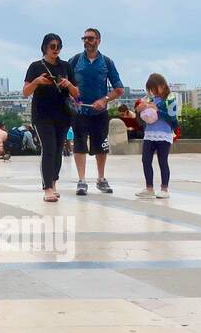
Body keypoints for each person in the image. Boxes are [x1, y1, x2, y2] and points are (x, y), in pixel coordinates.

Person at [22, 33, 80, 202]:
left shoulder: (66, 66)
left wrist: (68, 84)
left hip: (62, 114)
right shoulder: (35, 67)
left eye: (58, 46)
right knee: (48, 148)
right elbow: (25, 92)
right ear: (45, 48)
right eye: (52, 46)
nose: (56, 50)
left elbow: (77, 94)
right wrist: (37, 82)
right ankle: (47, 187)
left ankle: (53, 183)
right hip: (42, 114)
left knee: (58, 150)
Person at [66, 28, 124, 196]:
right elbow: (65, 82)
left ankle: (101, 178)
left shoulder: (107, 62)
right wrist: (71, 95)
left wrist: (104, 100)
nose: (87, 41)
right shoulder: (75, 60)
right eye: (84, 38)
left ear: (98, 40)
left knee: (101, 147)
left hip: (99, 113)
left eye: (90, 38)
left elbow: (119, 89)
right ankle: (82, 180)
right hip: (79, 111)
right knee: (79, 145)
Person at [135, 73, 179, 199]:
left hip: (164, 134)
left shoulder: (170, 99)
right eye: (150, 89)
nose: (153, 91)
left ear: (162, 86)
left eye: (155, 88)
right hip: (149, 134)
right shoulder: (148, 99)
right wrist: (139, 110)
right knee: (145, 160)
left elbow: (172, 117)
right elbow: (140, 117)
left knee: (162, 161)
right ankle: (149, 188)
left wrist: (157, 109)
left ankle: (164, 189)